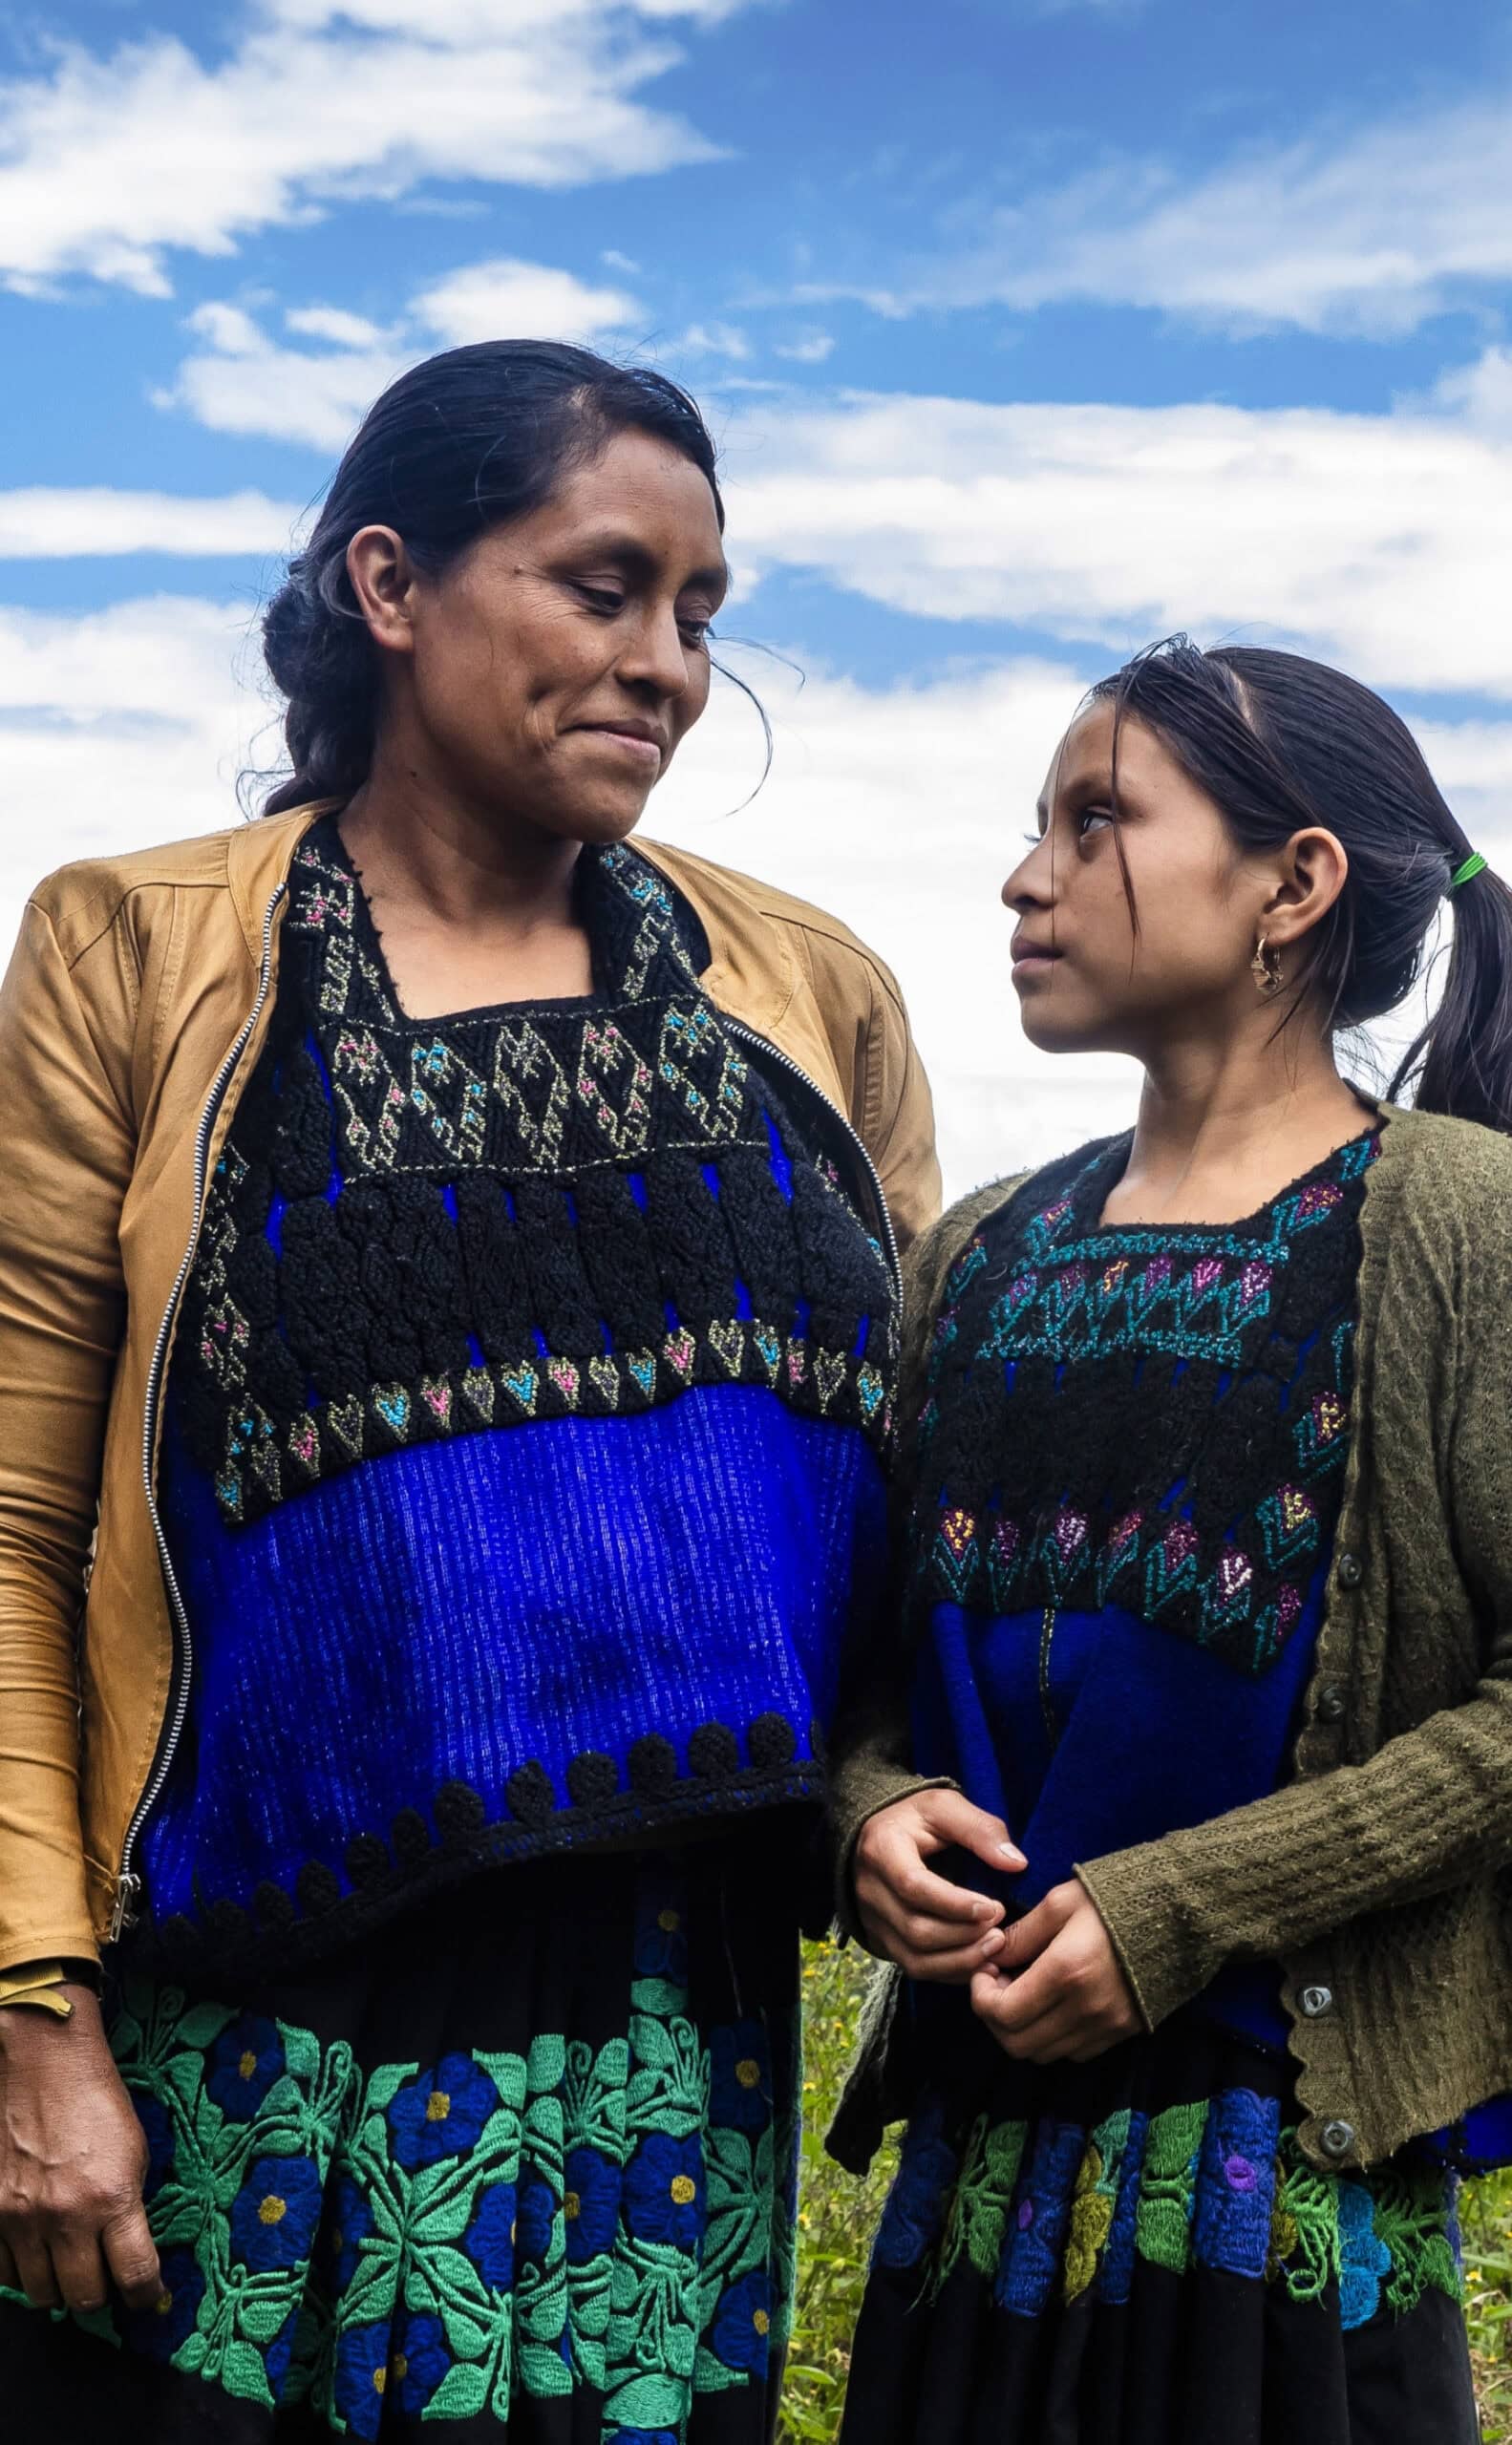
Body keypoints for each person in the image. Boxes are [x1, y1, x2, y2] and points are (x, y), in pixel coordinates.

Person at [0, 340, 939, 2440]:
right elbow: (16, 1522)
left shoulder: (811, 993)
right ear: (391, 583)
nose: (669, 664)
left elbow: (911, 1501)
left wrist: (887, 1801)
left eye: (700, 614)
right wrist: (33, 2015)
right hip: (246, 2013)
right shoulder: (137, 955)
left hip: (669, 2024)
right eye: (606, 586)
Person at [827, 637, 1512, 2445]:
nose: (1026, 875)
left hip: (1277, 2186)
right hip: (973, 2198)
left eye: (1097, 819)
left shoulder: (1455, 1222)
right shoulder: (976, 1253)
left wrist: (1178, 1911)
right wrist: (868, 1813)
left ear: (1294, 885)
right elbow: (863, 1674)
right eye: (1038, 823)